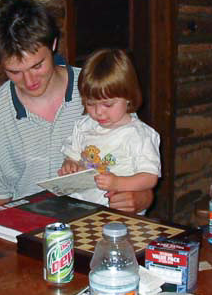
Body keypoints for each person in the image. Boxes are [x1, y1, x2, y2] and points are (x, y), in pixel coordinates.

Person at [0, 0, 153, 213]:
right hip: (33, 231)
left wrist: (141, 199)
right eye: (14, 72)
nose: (29, 81)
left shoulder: (99, 90)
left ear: (54, 44)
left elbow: (142, 168)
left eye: (37, 65)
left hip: (103, 226)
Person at [57, 48, 160, 209]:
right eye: (90, 103)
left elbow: (150, 177)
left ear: (128, 98)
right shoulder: (83, 126)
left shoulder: (139, 135)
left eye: (108, 104)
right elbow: (73, 156)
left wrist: (118, 182)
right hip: (79, 207)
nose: (98, 112)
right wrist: (70, 164)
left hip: (118, 213)